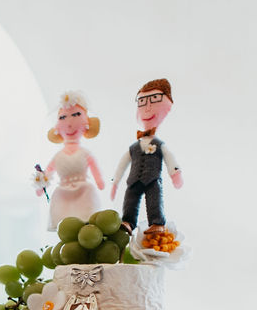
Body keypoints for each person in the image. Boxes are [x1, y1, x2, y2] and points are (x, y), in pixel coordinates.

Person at [110, 79, 183, 234]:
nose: (148, 107)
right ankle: (128, 222)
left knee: (154, 201)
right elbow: (122, 164)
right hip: (133, 180)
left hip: (153, 179)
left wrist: (175, 173)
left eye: (154, 100)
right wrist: (115, 181)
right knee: (130, 201)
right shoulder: (133, 147)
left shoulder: (160, 145)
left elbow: (170, 159)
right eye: (142, 101)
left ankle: (157, 223)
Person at [34, 91, 105, 231]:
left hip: (85, 192)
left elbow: (98, 176)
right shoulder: (58, 156)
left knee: (87, 225)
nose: (69, 123)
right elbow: (48, 172)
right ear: (57, 128)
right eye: (63, 117)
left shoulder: (85, 153)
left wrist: (99, 182)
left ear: (87, 123)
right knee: (66, 228)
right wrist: (42, 183)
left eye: (76, 115)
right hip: (63, 194)